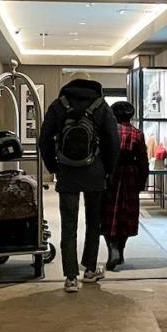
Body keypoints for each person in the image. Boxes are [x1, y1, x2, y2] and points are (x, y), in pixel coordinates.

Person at [40, 72, 120, 293]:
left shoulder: (59, 104)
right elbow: (114, 141)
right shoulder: (101, 105)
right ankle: (90, 270)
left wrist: (54, 167)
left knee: (69, 224)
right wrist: (109, 171)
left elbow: (44, 138)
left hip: (67, 172)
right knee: (94, 222)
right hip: (95, 172)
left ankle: (70, 277)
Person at [101, 101, 150, 271]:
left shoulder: (109, 132)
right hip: (130, 175)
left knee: (109, 214)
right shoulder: (137, 134)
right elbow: (143, 161)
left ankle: (112, 249)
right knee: (126, 215)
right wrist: (142, 182)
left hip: (111, 176)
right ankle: (120, 250)